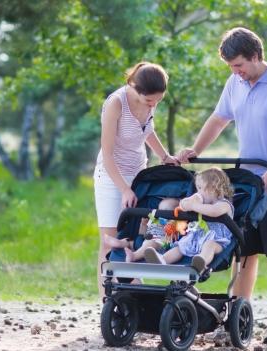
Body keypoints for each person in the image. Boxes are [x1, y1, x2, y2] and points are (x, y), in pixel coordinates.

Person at [177, 27, 267, 344]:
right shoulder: (235, 83)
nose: (235, 72)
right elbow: (219, 118)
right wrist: (196, 149)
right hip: (249, 182)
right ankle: (238, 318)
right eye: (231, 67)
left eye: (239, 65)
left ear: (254, 56)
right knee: (244, 252)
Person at [94, 62, 178, 296]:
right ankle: (107, 301)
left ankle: (133, 294)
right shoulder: (116, 103)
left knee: (135, 235)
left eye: (158, 101)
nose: (153, 104)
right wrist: (124, 189)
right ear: (134, 87)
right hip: (112, 176)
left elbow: (147, 130)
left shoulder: (150, 101)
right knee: (110, 240)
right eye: (149, 100)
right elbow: (108, 154)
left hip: (139, 173)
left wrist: (164, 156)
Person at [144, 167, 234, 273]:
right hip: (196, 238)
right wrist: (187, 203)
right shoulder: (200, 203)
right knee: (181, 246)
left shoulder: (224, 204)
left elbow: (213, 212)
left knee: (209, 245)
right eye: (197, 188)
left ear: (214, 187)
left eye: (200, 188)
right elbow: (185, 205)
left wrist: (194, 206)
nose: (198, 192)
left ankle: (200, 262)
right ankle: (162, 260)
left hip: (217, 241)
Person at [102, 197, 180, 262]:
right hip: (144, 239)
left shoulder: (176, 224)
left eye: (167, 212)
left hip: (160, 245)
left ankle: (134, 256)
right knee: (136, 241)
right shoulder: (157, 219)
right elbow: (146, 231)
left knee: (150, 243)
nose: (163, 216)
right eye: (161, 210)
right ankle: (121, 243)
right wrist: (144, 224)